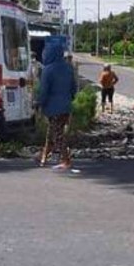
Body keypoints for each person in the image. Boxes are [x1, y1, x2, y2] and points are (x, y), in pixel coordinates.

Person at [38, 40, 77, 170]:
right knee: (53, 131)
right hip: (66, 106)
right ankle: (43, 156)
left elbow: (43, 91)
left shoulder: (47, 70)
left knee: (57, 134)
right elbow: (74, 88)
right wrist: (69, 99)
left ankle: (66, 160)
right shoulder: (68, 68)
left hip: (53, 107)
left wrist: (39, 104)